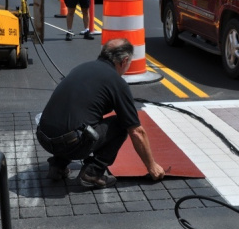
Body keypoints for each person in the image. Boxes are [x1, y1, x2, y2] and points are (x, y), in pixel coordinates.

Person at [36, 38, 166, 189]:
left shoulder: (81, 68)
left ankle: (58, 166)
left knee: (77, 118)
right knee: (121, 124)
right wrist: (152, 166)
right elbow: (137, 131)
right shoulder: (117, 82)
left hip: (44, 137)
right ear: (124, 61)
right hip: (70, 144)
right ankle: (92, 173)